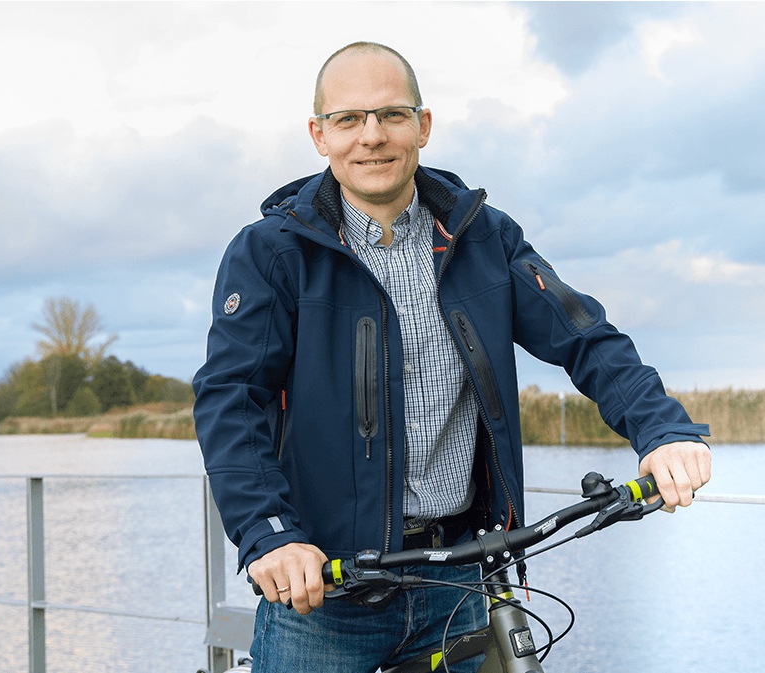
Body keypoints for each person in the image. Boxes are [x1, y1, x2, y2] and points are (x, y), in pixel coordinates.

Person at [193, 41, 711, 673]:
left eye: (392, 115)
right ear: (318, 136)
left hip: (461, 582)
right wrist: (271, 536)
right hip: (324, 594)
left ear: (424, 126)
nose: (372, 137)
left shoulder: (483, 236)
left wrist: (663, 430)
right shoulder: (272, 253)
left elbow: (584, 336)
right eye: (349, 119)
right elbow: (231, 399)